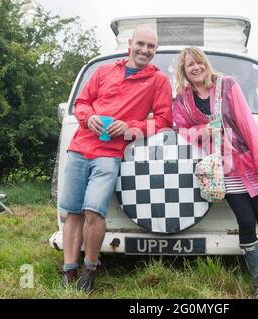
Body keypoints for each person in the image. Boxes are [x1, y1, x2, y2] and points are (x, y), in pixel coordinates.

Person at [59, 26, 173, 292]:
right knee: (72, 212)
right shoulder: (104, 70)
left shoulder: (158, 81)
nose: (146, 50)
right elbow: (81, 102)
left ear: (156, 50)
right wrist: (89, 117)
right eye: (141, 44)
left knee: (93, 209)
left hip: (110, 153)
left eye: (152, 47)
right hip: (80, 146)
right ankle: (68, 270)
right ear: (130, 44)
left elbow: (164, 121)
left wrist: (131, 126)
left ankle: (90, 268)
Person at [173, 47, 258, 298]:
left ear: (205, 63)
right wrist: (202, 131)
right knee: (245, 221)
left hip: (250, 161)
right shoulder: (182, 99)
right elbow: (181, 130)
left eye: (199, 62)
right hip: (224, 169)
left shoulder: (227, 84)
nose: (196, 67)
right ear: (184, 70)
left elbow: (246, 121)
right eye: (190, 65)